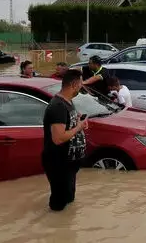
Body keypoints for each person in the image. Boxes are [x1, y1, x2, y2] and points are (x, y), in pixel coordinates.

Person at [42, 69, 88, 211]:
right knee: (58, 204)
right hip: (58, 162)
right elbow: (58, 138)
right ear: (74, 84)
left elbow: (69, 125)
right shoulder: (58, 106)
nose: (82, 86)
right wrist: (79, 127)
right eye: (81, 83)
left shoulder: (67, 102)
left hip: (69, 162)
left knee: (69, 199)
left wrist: (78, 121)